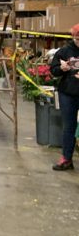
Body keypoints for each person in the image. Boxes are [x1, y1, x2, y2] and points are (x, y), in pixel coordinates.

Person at [50, 23, 79, 170]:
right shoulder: (65, 51)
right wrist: (61, 68)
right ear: (73, 37)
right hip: (68, 93)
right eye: (78, 38)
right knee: (69, 127)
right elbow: (53, 70)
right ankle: (67, 159)